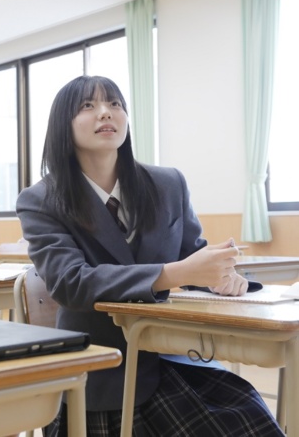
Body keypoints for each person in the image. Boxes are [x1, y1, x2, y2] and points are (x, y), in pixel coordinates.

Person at [16, 76, 282, 436]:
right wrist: (175, 273)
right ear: (63, 124)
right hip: (103, 370)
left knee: (252, 419)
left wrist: (223, 277)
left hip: (177, 357)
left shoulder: (168, 183)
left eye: (115, 104)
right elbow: (70, 282)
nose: (106, 113)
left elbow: (193, 258)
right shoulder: (41, 199)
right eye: (88, 106)